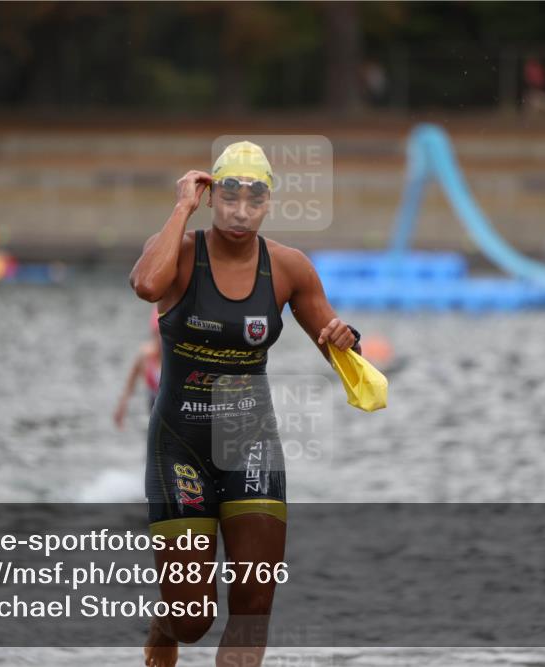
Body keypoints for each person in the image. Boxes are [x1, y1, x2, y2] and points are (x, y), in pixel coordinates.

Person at [129, 141, 364, 667]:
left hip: (250, 444)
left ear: (268, 203)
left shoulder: (288, 268)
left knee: (254, 606)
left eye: (253, 200)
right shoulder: (179, 250)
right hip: (179, 445)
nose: (240, 211)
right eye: (228, 197)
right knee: (192, 620)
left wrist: (347, 339)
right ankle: (164, 630)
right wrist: (180, 208)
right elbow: (146, 286)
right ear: (211, 197)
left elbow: (334, 340)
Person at [113, 306, 163, 430]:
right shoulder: (145, 355)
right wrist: (122, 407)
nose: (161, 339)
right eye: (157, 334)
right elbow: (130, 383)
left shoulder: (178, 355)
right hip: (154, 404)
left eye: (163, 333)